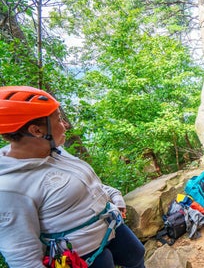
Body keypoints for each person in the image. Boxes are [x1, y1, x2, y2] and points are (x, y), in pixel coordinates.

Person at [0, 86, 145, 267]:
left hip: (111, 226)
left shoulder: (54, 152)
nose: (66, 125)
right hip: (81, 253)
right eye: (59, 120)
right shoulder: (10, 188)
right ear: (36, 131)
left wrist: (114, 196)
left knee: (136, 256)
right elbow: (22, 257)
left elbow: (85, 185)